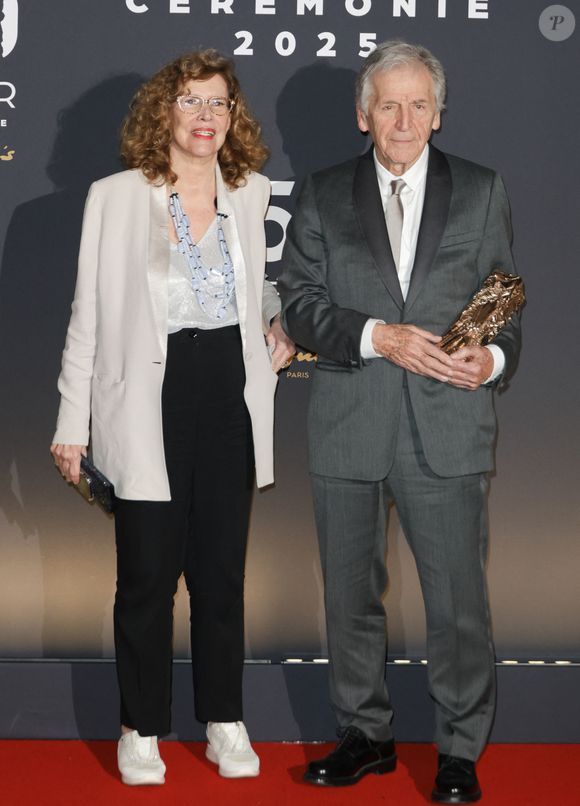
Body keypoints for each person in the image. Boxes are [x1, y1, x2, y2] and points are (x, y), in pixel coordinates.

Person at [278, 40, 520, 803]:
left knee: (457, 604)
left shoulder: (482, 190)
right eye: (389, 104)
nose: (404, 118)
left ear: (438, 114)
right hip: (351, 422)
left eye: (419, 104)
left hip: (449, 425)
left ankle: (457, 750)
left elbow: (505, 299)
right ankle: (365, 735)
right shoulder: (320, 193)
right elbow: (300, 301)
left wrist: (492, 363)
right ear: (363, 115)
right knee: (349, 597)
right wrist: (375, 335)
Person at [51, 49, 294, 787]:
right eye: (191, 102)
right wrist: (72, 421)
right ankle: (140, 728)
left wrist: (275, 330)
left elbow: (257, 292)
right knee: (147, 579)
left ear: (233, 117)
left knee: (221, 576)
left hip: (228, 392)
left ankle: (224, 721)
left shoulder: (249, 194)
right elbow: (87, 314)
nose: (206, 117)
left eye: (219, 104)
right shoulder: (116, 196)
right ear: (165, 112)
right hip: (147, 399)